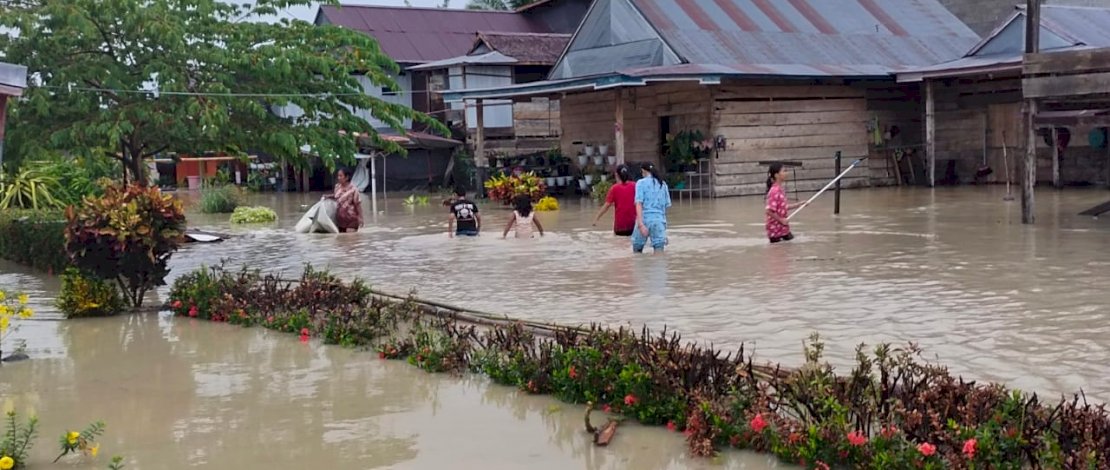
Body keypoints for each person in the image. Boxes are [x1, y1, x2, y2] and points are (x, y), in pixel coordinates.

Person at [632, 162, 671, 254]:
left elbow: (639, 204)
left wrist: (641, 224)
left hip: (644, 219)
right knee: (659, 252)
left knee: (637, 251)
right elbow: (665, 208)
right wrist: (664, 230)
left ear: (643, 171)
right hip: (659, 221)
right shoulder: (663, 184)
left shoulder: (640, 183)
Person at [765, 163, 806, 243]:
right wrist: (781, 220)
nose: (786, 173)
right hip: (775, 230)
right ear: (777, 175)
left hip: (783, 228)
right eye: (784, 171)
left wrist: (799, 204)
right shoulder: (774, 191)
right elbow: (768, 211)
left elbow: (783, 207)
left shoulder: (780, 189)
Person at [591, 164, 636, 236]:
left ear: (617, 175)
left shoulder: (614, 188)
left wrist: (596, 219)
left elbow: (606, 205)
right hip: (634, 226)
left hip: (619, 227)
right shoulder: (636, 186)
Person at [329, 167, 363, 233]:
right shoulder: (337, 187)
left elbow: (358, 204)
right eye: (338, 176)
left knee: (349, 240)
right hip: (340, 221)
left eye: (341, 176)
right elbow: (336, 197)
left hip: (351, 219)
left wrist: (361, 218)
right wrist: (328, 197)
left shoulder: (353, 189)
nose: (338, 178)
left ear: (347, 177)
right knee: (341, 241)